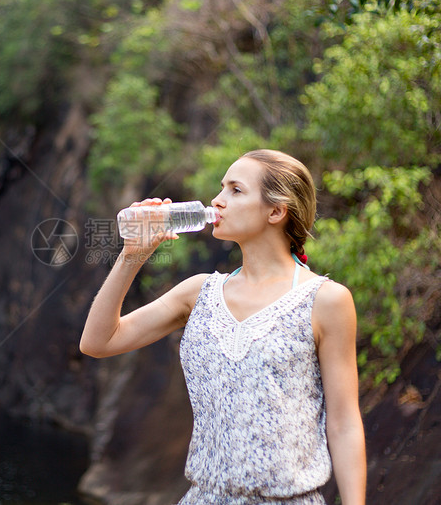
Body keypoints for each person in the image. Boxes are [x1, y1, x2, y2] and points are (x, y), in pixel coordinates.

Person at [80, 149, 367, 504]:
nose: (217, 200)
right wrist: (132, 255)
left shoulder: (326, 301)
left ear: (276, 211)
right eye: (221, 188)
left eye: (236, 190)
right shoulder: (198, 293)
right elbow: (97, 341)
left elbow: (343, 423)